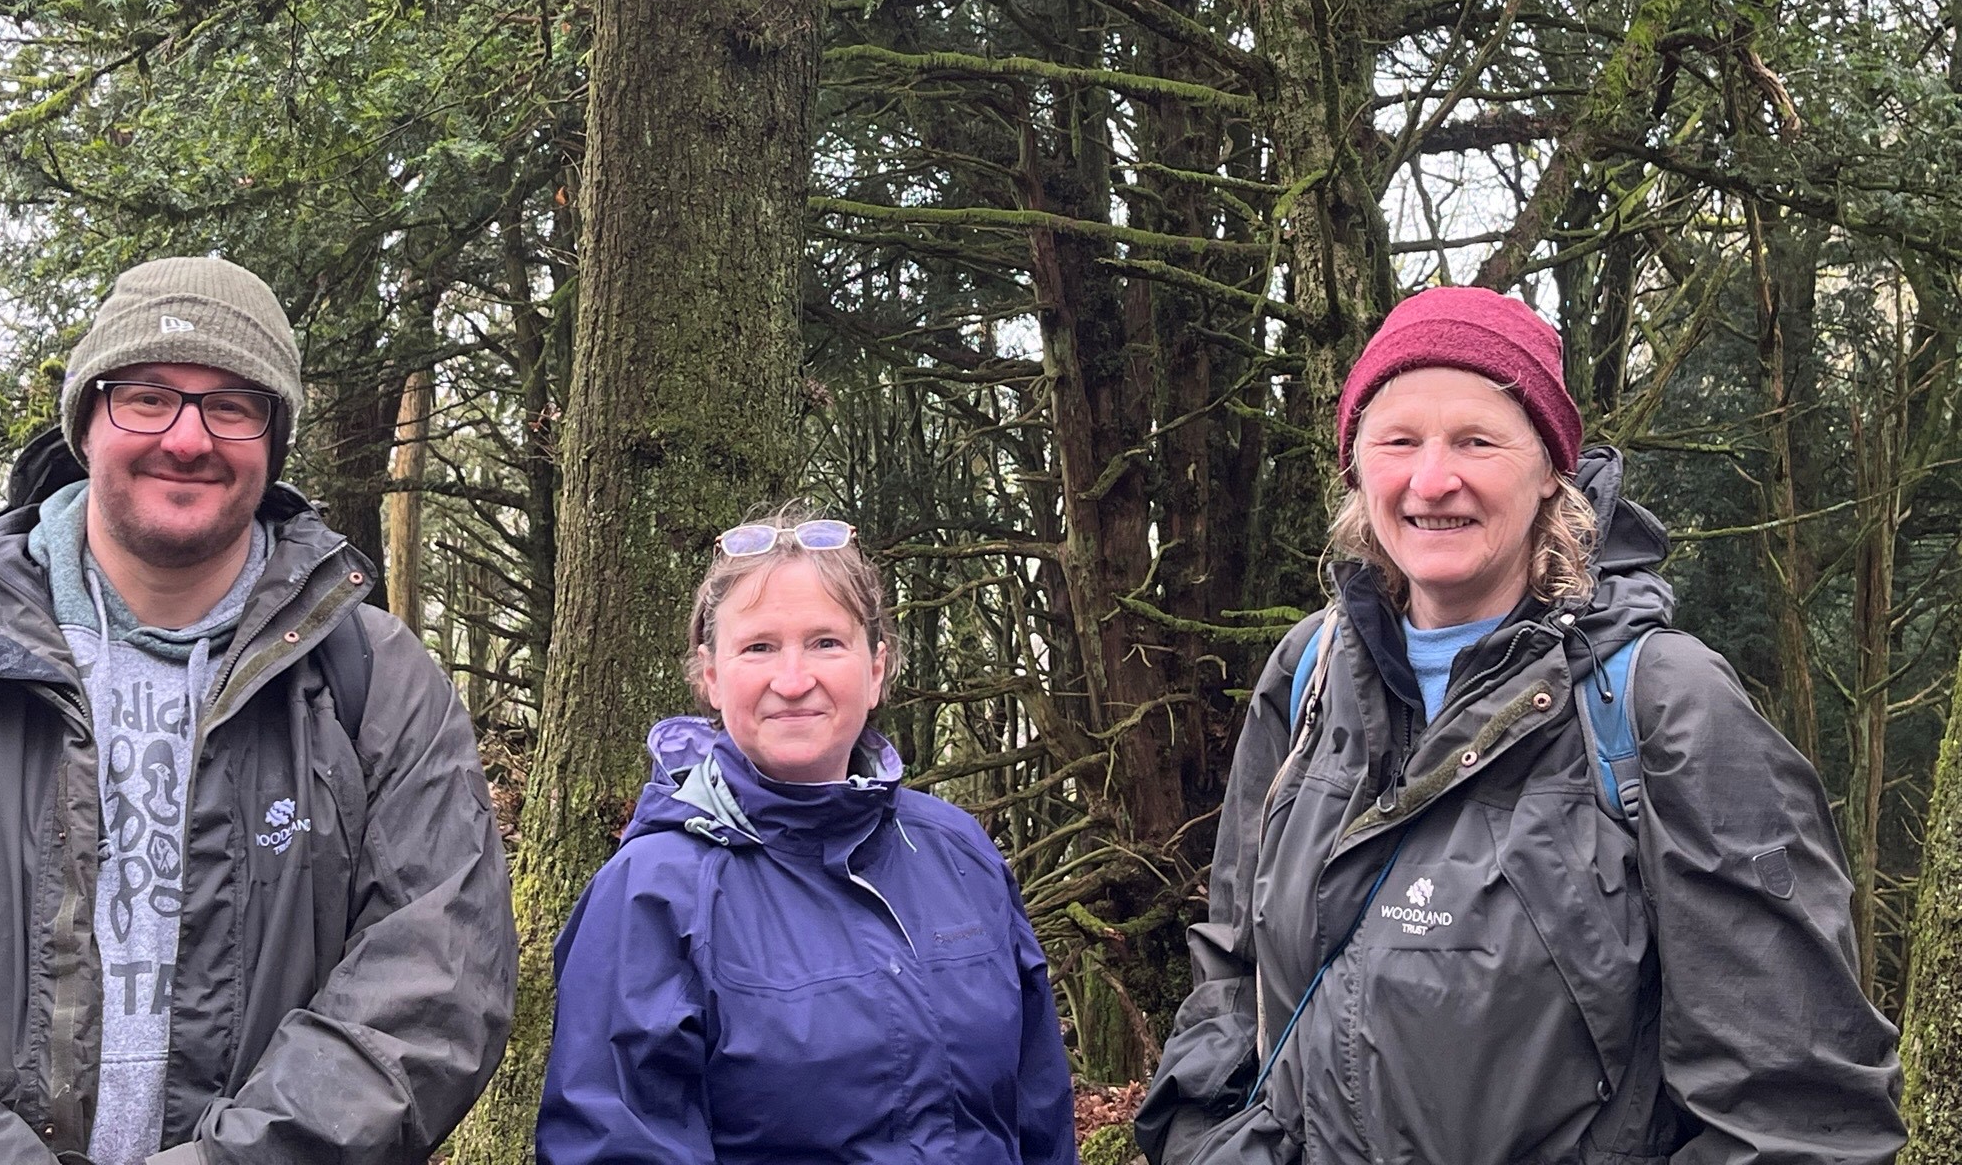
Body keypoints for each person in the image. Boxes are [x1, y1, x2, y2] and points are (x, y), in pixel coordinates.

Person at [1136, 286, 1905, 1165]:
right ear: (1357, 468)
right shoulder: (1308, 675)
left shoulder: (1663, 706)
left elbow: (1793, 1113)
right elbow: (1236, 971)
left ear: (1550, 470)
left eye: (1476, 440)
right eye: (1398, 441)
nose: (1432, 480)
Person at [0, 256, 517, 1165]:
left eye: (233, 404)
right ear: (86, 421)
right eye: (146, 397)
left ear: (273, 439)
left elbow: (437, 978)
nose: (188, 438)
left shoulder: (373, 677)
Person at [536, 505, 1079, 1165]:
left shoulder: (958, 852)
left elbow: (1040, 1116)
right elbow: (615, 1146)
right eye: (759, 647)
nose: (793, 682)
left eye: (826, 642)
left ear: (877, 668)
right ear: (710, 675)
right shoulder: (651, 895)